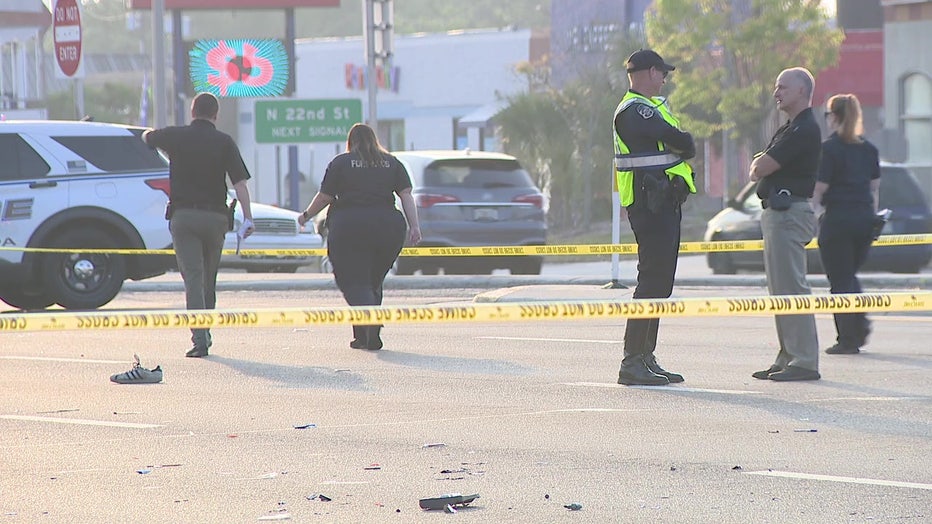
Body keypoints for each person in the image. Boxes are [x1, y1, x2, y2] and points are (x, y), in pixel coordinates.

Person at [143, 92, 255, 358]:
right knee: (208, 278)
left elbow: (147, 137)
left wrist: (154, 136)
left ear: (192, 112)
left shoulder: (176, 136)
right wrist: (248, 218)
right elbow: (240, 184)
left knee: (192, 277)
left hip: (184, 218)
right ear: (215, 115)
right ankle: (205, 329)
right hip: (216, 219)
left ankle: (200, 338)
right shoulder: (224, 142)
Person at [613, 49, 696, 386]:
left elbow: (684, 145)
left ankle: (646, 358)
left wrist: (681, 144)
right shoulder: (635, 111)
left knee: (660, 283)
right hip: (649, 205)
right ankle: (632, 362)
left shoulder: (651, 108)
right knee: (650, 282)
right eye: (662, 73)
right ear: (648, 72)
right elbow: (682, 142)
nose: (664, 79)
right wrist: (680, 143)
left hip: (663, 203)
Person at [297, 123, 421, 350]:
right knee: (373, 281)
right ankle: (363, 335)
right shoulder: (392, 162)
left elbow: (325, 197)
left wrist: (306, 215)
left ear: (350, 142)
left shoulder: (341, 163)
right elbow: (406, 196)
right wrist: (414, 227)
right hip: (388, 227)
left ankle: (370, 325)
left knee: (353, 280)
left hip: (349, 227)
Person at [749, 67, 821, 381]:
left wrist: (759, 164)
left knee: (792, 288)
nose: (776, 93)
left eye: (783, 88)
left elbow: (762, 165)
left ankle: (804, 360)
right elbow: (759, 166)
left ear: (803, 91)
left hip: (790, 214)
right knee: (780, 290)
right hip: (778, 214)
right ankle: (788, 355)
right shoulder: (789, 127)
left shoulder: (804, 129)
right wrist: (758, 165)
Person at [811, 94, 880, 355]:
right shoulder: (869, 149)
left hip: (838, 219)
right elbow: (874, 190)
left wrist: (812, 215)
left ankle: (848, 338)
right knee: (849, 275)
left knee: (840, 281)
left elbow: (820, 189)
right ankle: (859, 327)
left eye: (828, 115)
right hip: (864, 219)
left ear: (835, 117)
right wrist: (872, 220)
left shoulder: (829, 149)